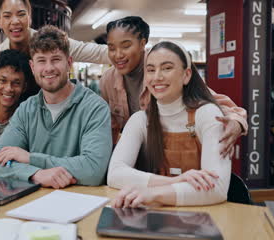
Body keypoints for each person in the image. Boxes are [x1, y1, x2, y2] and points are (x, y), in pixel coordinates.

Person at [100, 16, 247, 158]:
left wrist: (236, 121)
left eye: (126, 46)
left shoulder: (166, 68)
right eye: (111, 48)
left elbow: (212, 100)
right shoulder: (107, 80)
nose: (118, 54)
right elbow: (110, 127)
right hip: (138, 157)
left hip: (173, 155)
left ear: (142, 43)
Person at [108, 41, 231, 207]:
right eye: (151, 70)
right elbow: (114, 174)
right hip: (154, 218)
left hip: (201, 218)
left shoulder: (208, 114)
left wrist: (152, 193)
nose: (157, 76)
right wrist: (176, 181)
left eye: (167, 68)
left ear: (186, 75)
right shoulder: (140, 120)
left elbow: (217, 188)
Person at [0, 25, 112, 188]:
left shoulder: (95, 108)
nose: (48, 68)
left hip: (82, 204)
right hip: (33, 204)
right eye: (41, 61)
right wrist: (37, 175)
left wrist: (30, 159)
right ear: (32, 67)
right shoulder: (26, 110)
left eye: (55, 59)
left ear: (69, 63)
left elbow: (93, 170)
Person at [0, 0, 110, 99]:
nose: (15, 21)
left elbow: (98, 53)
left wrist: (125, 51)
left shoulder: (53, 42)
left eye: (21, 14)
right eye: (7, 16)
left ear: (29, 16)